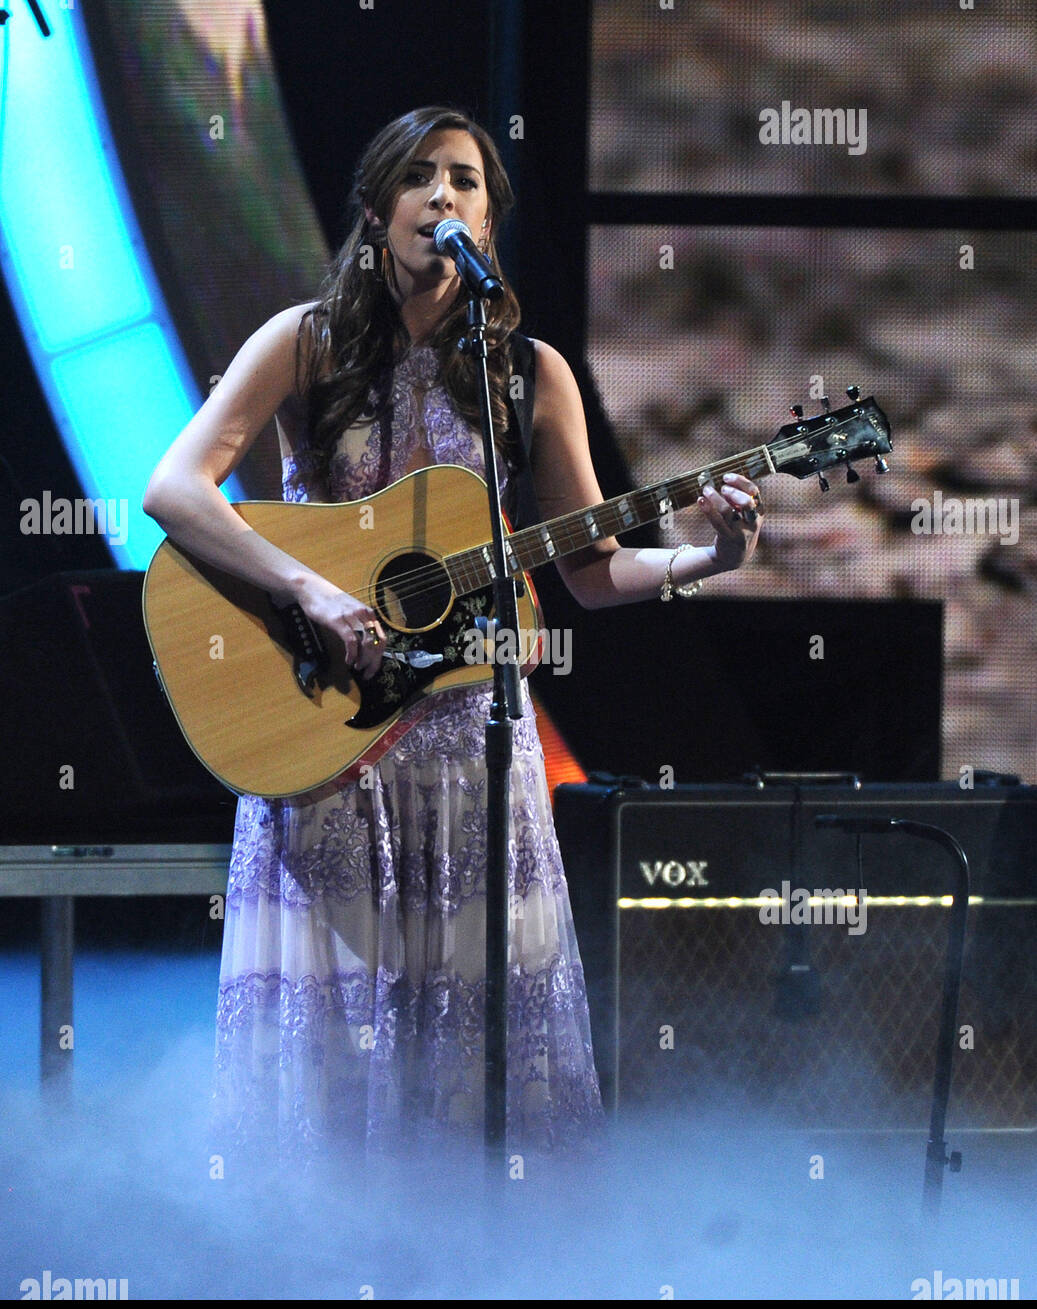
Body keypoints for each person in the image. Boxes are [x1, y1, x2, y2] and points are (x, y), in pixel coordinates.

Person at [142, 106, 762, 1166]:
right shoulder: (304, 341)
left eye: (467, 180)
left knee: (472, 1039)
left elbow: (590, 569)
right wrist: (312, 591)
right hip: (327, 731)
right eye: (421, 178)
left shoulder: (528, 374)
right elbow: (173, 488)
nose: (444, 197)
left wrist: (707, 559)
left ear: (489, 216)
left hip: (473, 748)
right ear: (377, 208)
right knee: (336, 1035)